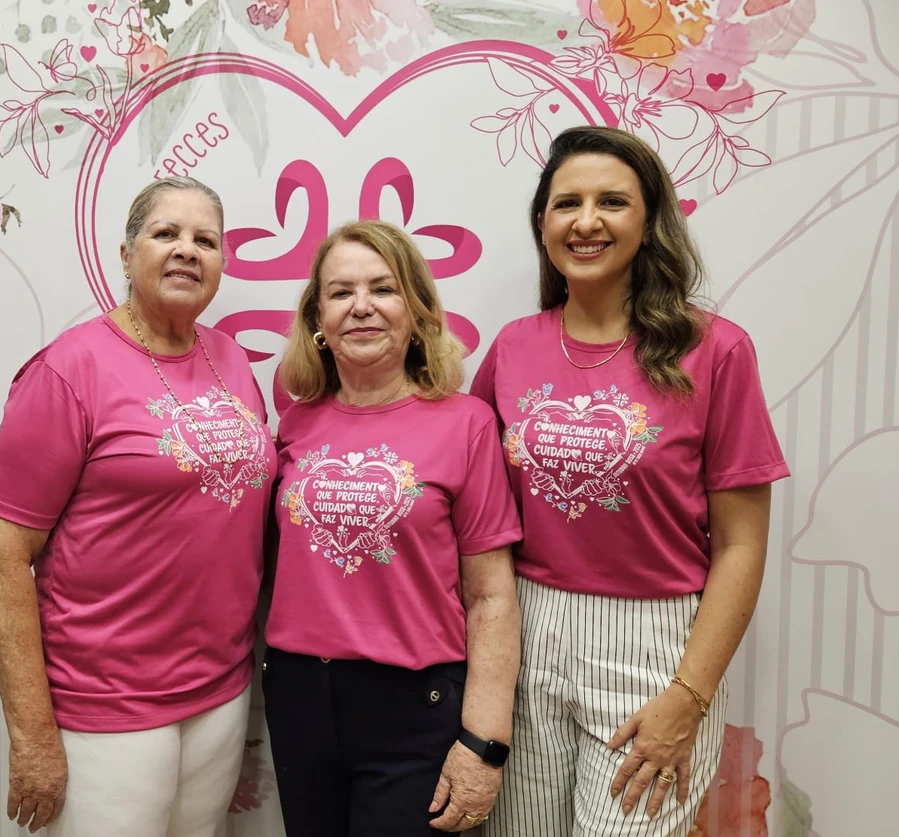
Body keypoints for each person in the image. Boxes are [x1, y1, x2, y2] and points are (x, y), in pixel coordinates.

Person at [472, 125, 790, 836]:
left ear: (649, 222)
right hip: (525, 633)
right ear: (543, 223)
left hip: (655, 647)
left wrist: (688, 697)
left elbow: (741, 545)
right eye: (567, 203)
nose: (586, 221)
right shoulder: (513, 347)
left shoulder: (715, 350)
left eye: (611, 202)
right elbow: (475, 511)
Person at [0, 176, 277, 836]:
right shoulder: (69, 369)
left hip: (219, 689)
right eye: (166, 233)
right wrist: (32, 736)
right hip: (104, 703)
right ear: (126, 253)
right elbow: (0, 550)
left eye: (206, 240)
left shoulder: (229, 358)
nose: (187, 249)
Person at [262, 219, 523, 836]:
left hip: (415, 708)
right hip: (299, 698)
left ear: (417, 311)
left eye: (383, 289)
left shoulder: (467, 423)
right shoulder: (295, 422)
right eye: (341, 292)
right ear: (318, 319)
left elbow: (490, 596)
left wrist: (484, 743)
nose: (361, 307)